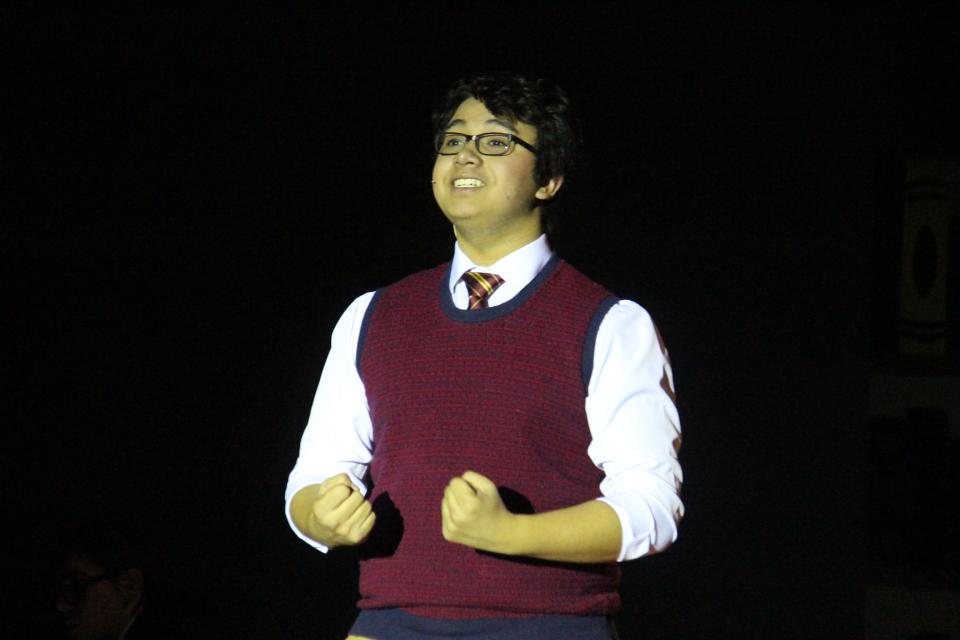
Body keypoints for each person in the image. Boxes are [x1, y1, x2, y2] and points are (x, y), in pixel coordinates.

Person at [285, 72, 684, 640]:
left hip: (545, 625)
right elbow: (316, 474)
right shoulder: (373, 315)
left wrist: (512, 533)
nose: (465, 155)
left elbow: (652, 506)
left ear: (548, 178)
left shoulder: (610, 323)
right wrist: (318, 516)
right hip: (389, 622)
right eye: (453, 141)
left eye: (496, 142)